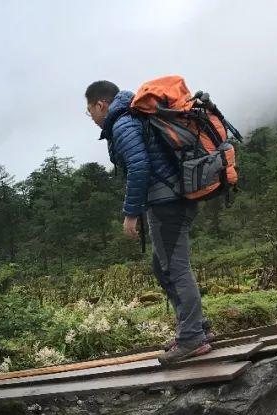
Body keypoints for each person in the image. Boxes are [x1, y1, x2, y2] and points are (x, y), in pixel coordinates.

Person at [85, 80, 214, 365]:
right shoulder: (133, 117)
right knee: (163, 266)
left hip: (167, 201)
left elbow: (140, 166)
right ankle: (195, 327)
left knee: (174, 267)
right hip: (172, 197)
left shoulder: (123, 124)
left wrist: (131, 213)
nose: (91, 117)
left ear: (100, 104)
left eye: (89, 111)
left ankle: (192, 337)